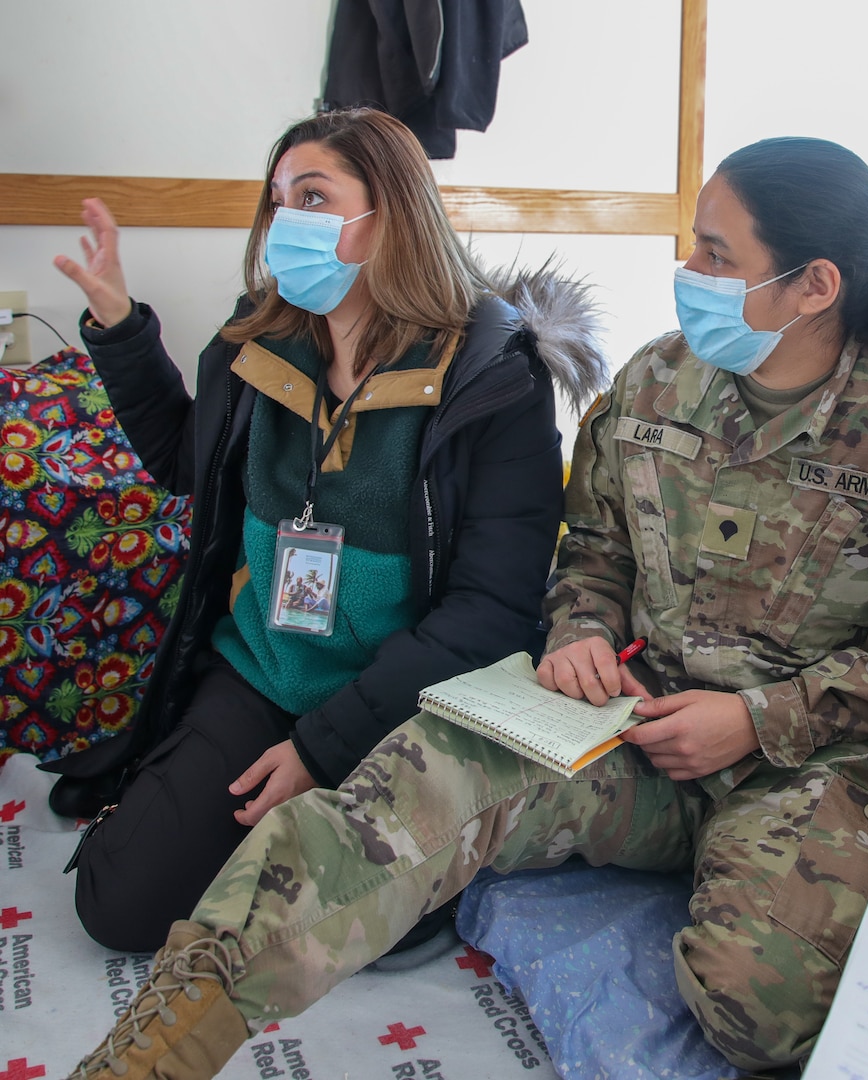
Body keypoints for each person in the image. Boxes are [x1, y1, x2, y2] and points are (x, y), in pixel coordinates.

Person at [65, 135, 868, 1080]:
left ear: (816, 285)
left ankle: (739, 872)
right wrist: (583, 633)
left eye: (717, 255)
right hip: (625, 716)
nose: (688, 270)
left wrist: (758, 719)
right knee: (406, 784)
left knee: (756, 1008)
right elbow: (594, 545)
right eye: (693, 241)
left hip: (811, 764)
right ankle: (160, 1043)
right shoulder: (656, 380)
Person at [48, 108, 604, 954]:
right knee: (119, 904)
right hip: (264, 675)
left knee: (351, 928)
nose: (285, 225)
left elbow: (491, 611)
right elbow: (190, 468)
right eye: (277, 203)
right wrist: (122, 330)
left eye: (313, 196)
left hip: (404, 710)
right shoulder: (258, 343)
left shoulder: (492, 378)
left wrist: (320, 748)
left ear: (392, 214)